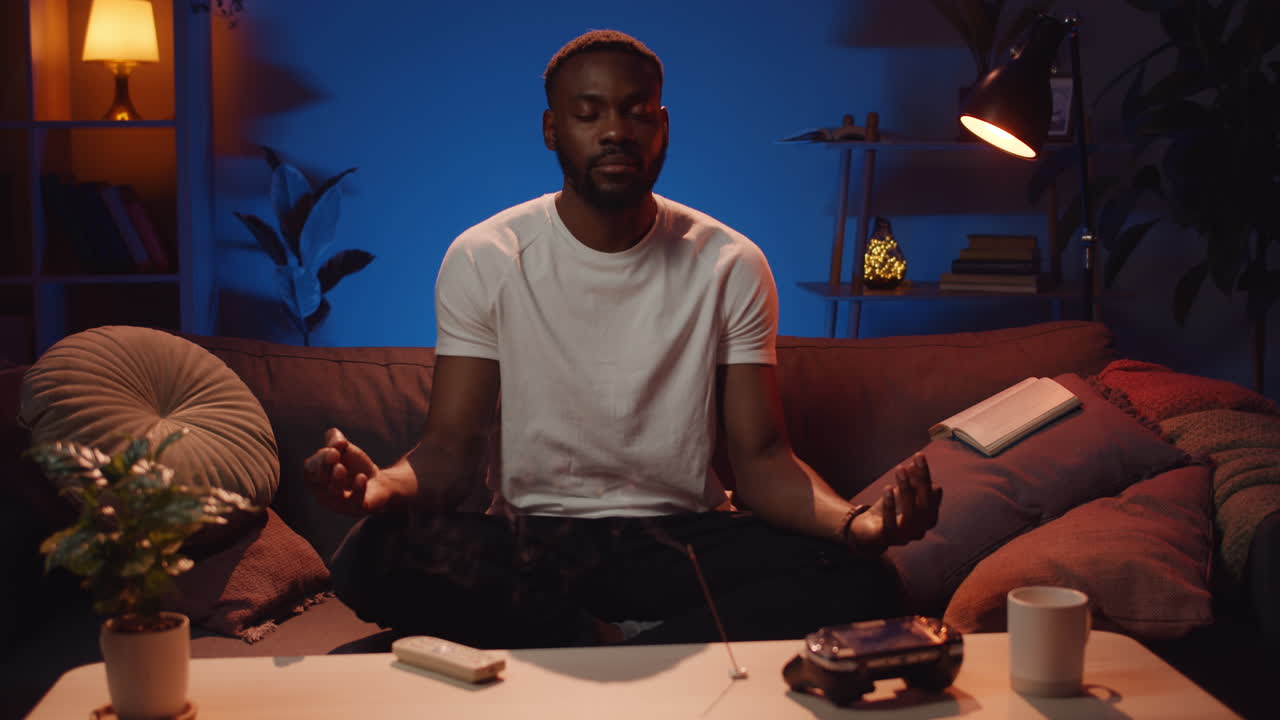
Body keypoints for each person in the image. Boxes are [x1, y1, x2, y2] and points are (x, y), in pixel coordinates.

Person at [305, 29, 942, 649]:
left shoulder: (729, 263)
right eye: (589, 114)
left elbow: (764, 460)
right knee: (373, 556)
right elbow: (447, 453)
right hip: (536, 543)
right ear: (553, 130)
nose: (615, 130)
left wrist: (858, 525)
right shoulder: (486, 256)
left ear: (663, 126)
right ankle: (645, 648)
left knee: (869, 580)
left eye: (638, 112)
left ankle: (592, 648)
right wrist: (379, 488)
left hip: (685, 541)